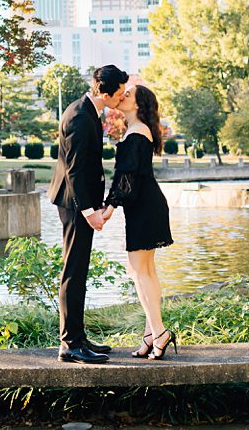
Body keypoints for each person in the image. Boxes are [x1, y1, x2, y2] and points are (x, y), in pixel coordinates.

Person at [48, 63, 128, 364]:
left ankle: (78, 338)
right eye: (119, 93)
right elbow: (75, 171)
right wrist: (89, 211)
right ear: (104, 91)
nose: (122, 98)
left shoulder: (91, 112)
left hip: (78, 202)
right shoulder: (80, 117)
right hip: (74, 204)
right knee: (73, 271)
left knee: (79, 270)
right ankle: (69, 344)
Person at [102, 82, 176, 360]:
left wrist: (108, 208)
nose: (123, 96)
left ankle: (159, 333)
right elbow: (127, 177)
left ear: (138, 104)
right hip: (146, 206)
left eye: (128, 94)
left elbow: (126, 178)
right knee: (146, 271)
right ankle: (151, 334)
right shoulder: (138, 131)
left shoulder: (137, 133)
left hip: (145, 207)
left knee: (138, 272)